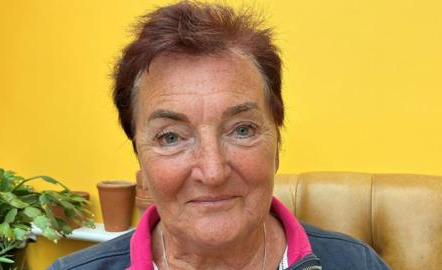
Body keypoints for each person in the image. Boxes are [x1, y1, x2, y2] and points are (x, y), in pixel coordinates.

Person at [49, 1, 390, 269]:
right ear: (139, 156)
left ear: (277, 144)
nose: (212, 172)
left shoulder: (358, 264)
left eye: (242, 130)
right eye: (171, 137)